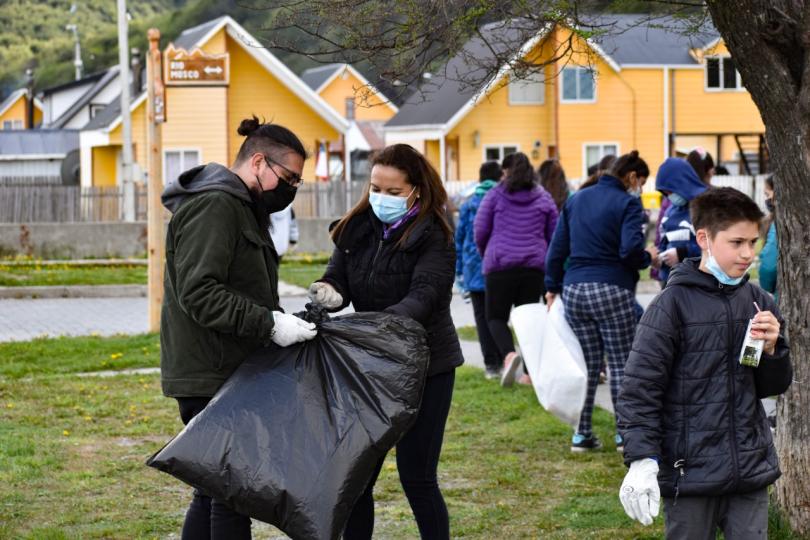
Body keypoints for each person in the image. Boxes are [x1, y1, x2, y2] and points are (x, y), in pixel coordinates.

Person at [159, 116, 318, 539]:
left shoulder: (241, 207)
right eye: (290, 178)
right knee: (234, 495)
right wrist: (268, 324)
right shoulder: (217, 205)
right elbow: (200, 292)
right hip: (210, 372)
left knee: (214, 490)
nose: (292, 189)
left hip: (227, 367)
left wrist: (282, 320)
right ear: (259, 162)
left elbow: (241, 287)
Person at [616, 187, 792, 538]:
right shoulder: (671, 306)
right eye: (736, 242)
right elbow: (640, 388)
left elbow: (772, 387)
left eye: (753, 243)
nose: (747, 254)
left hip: (749, 469)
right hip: (689, 473)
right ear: (704, 238)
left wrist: (774, 350)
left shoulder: (758, 301)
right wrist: (642, 460)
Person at [307, 144, 463, 540]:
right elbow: (337, 277)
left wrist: (380, 324)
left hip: (427, 366)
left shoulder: (435, 234)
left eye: (394, 192)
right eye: (376, 188)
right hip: (371, 369)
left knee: (418, 477)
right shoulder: (356, 227)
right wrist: (328, 291)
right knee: (357, 476)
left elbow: (425, 295)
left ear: (416, 191)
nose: (382, 198)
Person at [544, 150, 657, 452]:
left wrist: (552, 286)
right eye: (641, 182)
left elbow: (557, 249)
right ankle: (624, 434)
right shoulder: (628, 204)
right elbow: (630, 250)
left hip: (575, 290)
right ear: (631, 177)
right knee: (621, 364)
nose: (641, 190)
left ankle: (581, 434)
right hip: (612, 288)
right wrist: (648, 257)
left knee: (587, 365)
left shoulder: (576, 199)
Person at [474, 152, 559, 387]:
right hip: (533, 267)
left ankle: (509, 355)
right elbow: (555, 234)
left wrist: (487, 254)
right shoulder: (543, 197)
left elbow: (480, 230)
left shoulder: (494, 195)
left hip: (500, 265)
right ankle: (530, 375)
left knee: (495, 317)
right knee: (528, 320)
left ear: (505, 171)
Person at [455, 160, 502, 378]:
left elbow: (459, 238)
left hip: (473, 268)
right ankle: (504, 356)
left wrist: (458, 270)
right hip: (498, 267)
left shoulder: (468, 204)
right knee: (499, 315)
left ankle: (491, 365)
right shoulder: (503, 200)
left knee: (482, 318)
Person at [655, 157, 708, 285]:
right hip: (671, 280)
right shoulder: (670, 211)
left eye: (670, 191)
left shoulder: (706, 206)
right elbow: (663, 239)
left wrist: (682, 253)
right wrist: (659, 258)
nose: (669, 196)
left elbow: (715, 246)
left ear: (682, 183)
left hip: (698, 282)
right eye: (665, 193)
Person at [759, 175, 778, 295]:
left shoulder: (779, 224)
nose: (767, 200)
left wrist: (767, 285)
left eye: (767, 194)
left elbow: (769, 267)